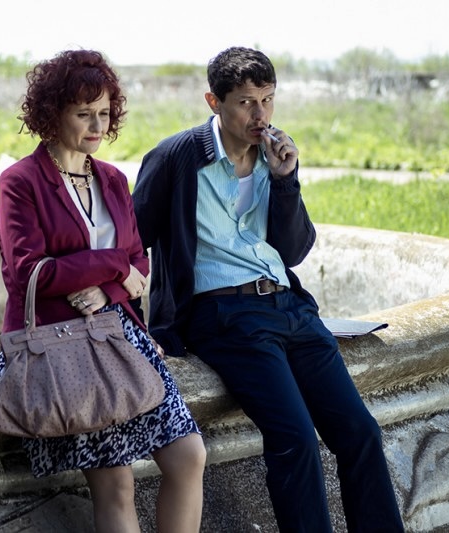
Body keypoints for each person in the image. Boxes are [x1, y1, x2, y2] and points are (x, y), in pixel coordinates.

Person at [132, 46, 404, 532]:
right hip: (225, 316)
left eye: (268, 99)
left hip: (290, 308)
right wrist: (137, 328)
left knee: (360, 430)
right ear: (214, 102)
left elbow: (294, 250)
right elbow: (131, 244)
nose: (261, 115)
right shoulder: (176, 157)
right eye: (246, 103)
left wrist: (285, 181)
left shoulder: (274, 157)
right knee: (295, 438)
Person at [0, 49, 206, 533]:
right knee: (116, 485)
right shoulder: (20, 182)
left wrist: (110, 289)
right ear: (53, 114)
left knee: (188, 455)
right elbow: (28, 273)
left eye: (104, 113)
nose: (97, 126)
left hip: (119, 334)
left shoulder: (112, 178)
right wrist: (112, 266)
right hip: (61, 345)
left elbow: (138, 262)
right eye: (83, 113)